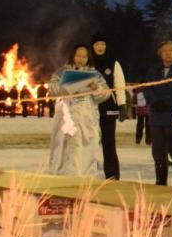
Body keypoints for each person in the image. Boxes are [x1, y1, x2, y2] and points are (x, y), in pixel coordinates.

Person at [47, 43, 110, 177]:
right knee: (63, 148)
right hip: (66, 117)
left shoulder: (95, 75)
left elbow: (106, 94)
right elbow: (52, 90)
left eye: (84, 56)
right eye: (78, 56)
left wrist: (95, 88)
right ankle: (62, 176)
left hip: (86, 119)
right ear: (73, 56)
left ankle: (85, 178)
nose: (81, 59)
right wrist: (66, 87)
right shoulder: (61, 72)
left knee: (86, 150)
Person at [144, 40, 172, 187]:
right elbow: (147, 88)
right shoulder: (153, 70)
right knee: (158, 151)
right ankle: (160, 181)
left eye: (171, 50)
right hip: (156, 117)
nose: (168, 53)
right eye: (165, 50)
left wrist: (167, 102)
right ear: (160, 53)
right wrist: (154, 101)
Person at [90, 34, 127, 180]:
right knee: (90, 142)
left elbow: (119, 84)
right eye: (97, 44)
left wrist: (122, 104)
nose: (100, 47)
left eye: (103, 44)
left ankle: (112, 176)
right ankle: (89, 173)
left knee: (109, 143)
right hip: (90, 108)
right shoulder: (88, 62)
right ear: (92, 46)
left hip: (108, 107)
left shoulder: (113, 62)